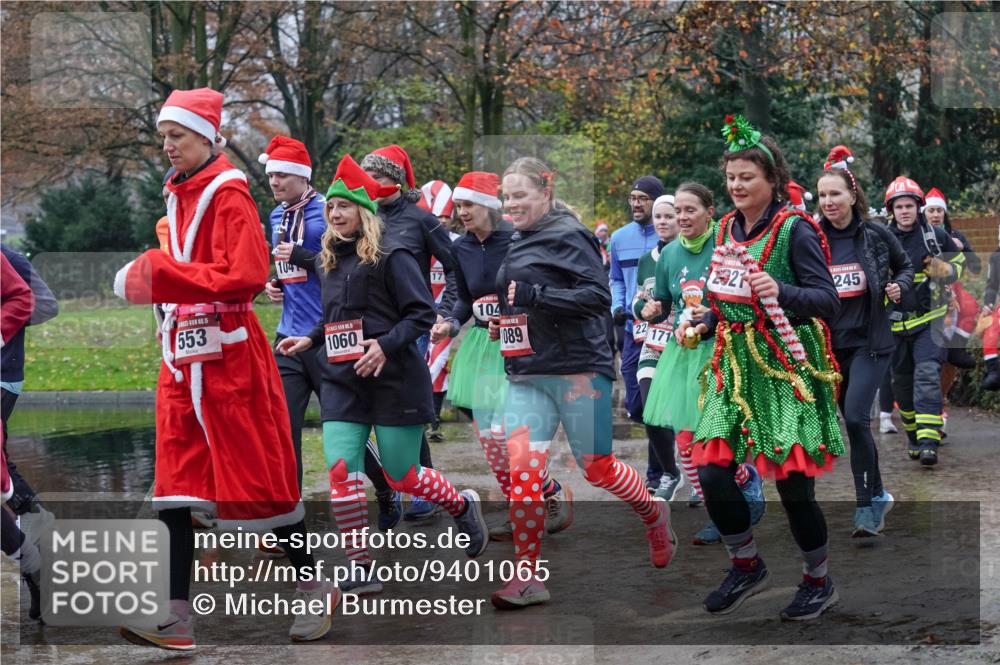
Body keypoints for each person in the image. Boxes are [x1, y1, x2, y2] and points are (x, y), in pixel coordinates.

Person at [114, 88, 336, 648]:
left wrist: (160, 275)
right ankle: (174, 615)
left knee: (259, 481)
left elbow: (245, 273)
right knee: (174, 489)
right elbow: (183, 270)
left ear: (209, 137)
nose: (167, 146)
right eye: (163, 136)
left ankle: (315, 586)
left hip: (231, 361)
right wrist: (161, 290)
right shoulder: (178, 195)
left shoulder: (228, 192)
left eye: (178, 136)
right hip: (180, 362)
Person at [276, 155, 489, 593]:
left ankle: (462, 505)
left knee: (402, 474)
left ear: (363, 211)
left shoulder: (393, 257)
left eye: (345, 207)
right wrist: (310, 340)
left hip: (394, 376)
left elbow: (420, 315)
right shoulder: (327, 259)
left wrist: (384, 345)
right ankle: (359, 563)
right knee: (340, 469)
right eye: (331, 207)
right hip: (342, 378)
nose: (335, 215)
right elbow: (334, 317)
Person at [488, 157, 675, 610]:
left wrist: (536, 298)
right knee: (524, 474)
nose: (511, 204)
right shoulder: (518, 239)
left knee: (598, 469)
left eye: (520, 195)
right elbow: (523, 299)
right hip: (527, 373)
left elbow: (597, 298)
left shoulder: (570, 234)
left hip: (578, 371)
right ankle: (528, 575)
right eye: (506, 197)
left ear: (545, 192)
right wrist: (508, 322)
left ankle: (654, 511)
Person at [681, 115, 844, 620]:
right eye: (730, 178)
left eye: (746, 177)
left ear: (772, 181)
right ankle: (746, 564)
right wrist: (706, 320)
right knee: (710, 471)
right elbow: (727, 294)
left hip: (785, 366)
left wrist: (783, 291)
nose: (736, 186)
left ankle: (818, 579)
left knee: (794, 488)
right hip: (734, 366)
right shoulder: (727, 227)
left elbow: (828, 301)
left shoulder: (795, 229)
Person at [431, 171, 573, 541]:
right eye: (458, 205)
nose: (461, 212)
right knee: (491, 442)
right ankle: (519, 508)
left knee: (509, 434)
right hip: (480, 345)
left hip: (520, 340)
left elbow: (545, 286)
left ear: (490, 206)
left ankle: (550, 491)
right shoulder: (460, 248)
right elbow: (463, 297)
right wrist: (449, 322)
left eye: (468, 205)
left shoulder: (517, 238)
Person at [640, 184, 767, 548]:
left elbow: (745, 296)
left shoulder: (727, 248)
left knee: (718, 435)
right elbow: (665, 303)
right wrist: (652, 310)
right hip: (683, 353)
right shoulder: (669, 255)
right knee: (684, 439)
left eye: (689, 210)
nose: (681, 217)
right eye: (677, 210)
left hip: (724, 349)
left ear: (709, 211)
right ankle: (721, 509)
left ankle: (742, 482)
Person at [815, 146, 913, 536]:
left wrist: (899, 286)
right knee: (853, 424)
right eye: (822, 196)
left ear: (852, 195)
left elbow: (904, 265)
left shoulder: (875, 234)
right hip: (830, 346)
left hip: (871, 342)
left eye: (835, 194)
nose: (828, 202)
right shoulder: (813, 237)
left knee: (856, 417)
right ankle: (879, 494)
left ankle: (866, 506)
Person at [361, 144, 454, 520]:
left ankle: (422, 491)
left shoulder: (421, 220)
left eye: (379, 177)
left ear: (396, 180)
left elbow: (454, 266)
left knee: (407, 410)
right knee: (368, 409)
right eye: (367, 178)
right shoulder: (361, 215)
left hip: (409, 323)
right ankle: (392, 485)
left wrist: (447, 312)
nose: (372, 184)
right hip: (366, 325)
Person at [885, 176, 964, 465]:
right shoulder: (881, 239)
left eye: (909, 205)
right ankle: (914, 437)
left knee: (928, 376)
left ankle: (930, 441)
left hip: (930, 323)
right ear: (891, 210)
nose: (904, 211)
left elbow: (960, 264)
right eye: (899, 206)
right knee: (902, 387)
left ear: (918, 207)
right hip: (894, 327)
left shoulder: (935, 237)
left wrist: (942, 268)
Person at [609, 174, 669, 488]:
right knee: (638, 407)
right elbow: (616, 278)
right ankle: (667, 464)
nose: (635, 203)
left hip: (669, 333)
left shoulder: (670, 236)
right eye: (633, 198)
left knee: (655, 406)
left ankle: (658, 474)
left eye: (642, 198)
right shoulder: (619, 238)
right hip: (634, 330)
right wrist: (617, 306)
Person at [629, 194, 683, 500]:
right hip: (654, 343)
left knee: (689, 419)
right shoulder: (645, 260)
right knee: (651, 411)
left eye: (669, 216)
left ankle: (707, 478)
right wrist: (640, 310)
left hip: (686, 344)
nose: (662, 222)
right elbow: (639, 298)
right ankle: (669, 473)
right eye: (658, 217)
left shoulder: (689, 256)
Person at [922, 187, 980, 416]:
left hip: (954, 296)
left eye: (939, 211)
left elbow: (975, 267)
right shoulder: (917, 234)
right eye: (931, 210)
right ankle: (929, 406)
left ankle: (942, 398)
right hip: (928, 297)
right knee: (932, 356)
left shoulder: (955, 235)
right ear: (923, 213)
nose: (935, 215)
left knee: (950, 358)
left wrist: (962, 249)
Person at [417, 179, 458, 442]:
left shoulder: (456, 243)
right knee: (423, 363)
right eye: (437, 216)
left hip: (446, 311)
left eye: (446, 216)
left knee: (438, 363)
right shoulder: (419, 239)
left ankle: (431, 420)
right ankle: (423, 418)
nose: (441, 221)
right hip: (420, 311)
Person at [981, 225, 1000, 390]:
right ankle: (993, 371)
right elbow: (992, 285)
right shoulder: (996, 257)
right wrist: (988, 304)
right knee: (990, 327)